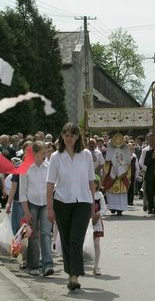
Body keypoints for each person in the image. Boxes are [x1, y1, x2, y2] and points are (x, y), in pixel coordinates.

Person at [47, 122, 96, 291]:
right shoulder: (56, 157)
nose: (69, 138)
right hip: (61, 202)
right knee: (67, 241)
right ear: (62, 136)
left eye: (72, 135)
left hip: (82, 201)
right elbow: (50, 184)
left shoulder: (86, 155)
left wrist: (93, 204)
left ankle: (74, 275)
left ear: (77, 137)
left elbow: (91, 180)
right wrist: (50, 208)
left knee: (76, 239)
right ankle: (71, 275)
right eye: (66, 135)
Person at [19, 141, 54, 277]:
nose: (45, 156)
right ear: (34, 153)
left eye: (46, 153)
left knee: (46, 233)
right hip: (31, 204)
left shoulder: (49, 167)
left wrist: (52, 206)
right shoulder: (26, 168)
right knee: (32, 235)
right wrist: (26, 211)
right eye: (42, 153)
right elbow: (22, 192)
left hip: (46, 204)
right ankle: (33, 266)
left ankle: (47, 265)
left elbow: (53, 187)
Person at [103, 132, 133, 216]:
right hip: (112, 173)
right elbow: (107, 160)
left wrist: (122, 167)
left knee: (121, 193)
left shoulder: (126, 148)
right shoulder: (110, 148)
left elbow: (128, 161)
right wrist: (111, 165)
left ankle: (120, 209)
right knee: (112, 191)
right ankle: (112, 207)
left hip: (122, 176)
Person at [92, 175, 107, 276]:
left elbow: (104, 208)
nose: (93, 185)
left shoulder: (99, 195)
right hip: (85, 222)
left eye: (94, 183)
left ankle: (96, 266)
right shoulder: (84, 194)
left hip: (96, 222)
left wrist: (99, 214)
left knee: (96, 243)